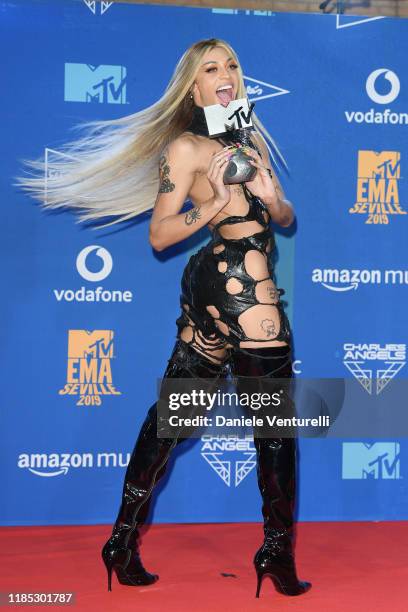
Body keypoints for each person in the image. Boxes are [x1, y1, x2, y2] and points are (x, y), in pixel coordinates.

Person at [14, 38, 311, 598]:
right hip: (241, 290)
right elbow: (159, 234)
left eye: (232, 65)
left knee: (176, 415)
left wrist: (274, 200)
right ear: (193, 87)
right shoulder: (187, 147)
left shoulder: (246, 133)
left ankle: (121, 540)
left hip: (217, 291)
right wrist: (216, 203)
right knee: (273, 424)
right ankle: (277, 551)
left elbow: (283, 217)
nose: (226, 74)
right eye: (211, 68)